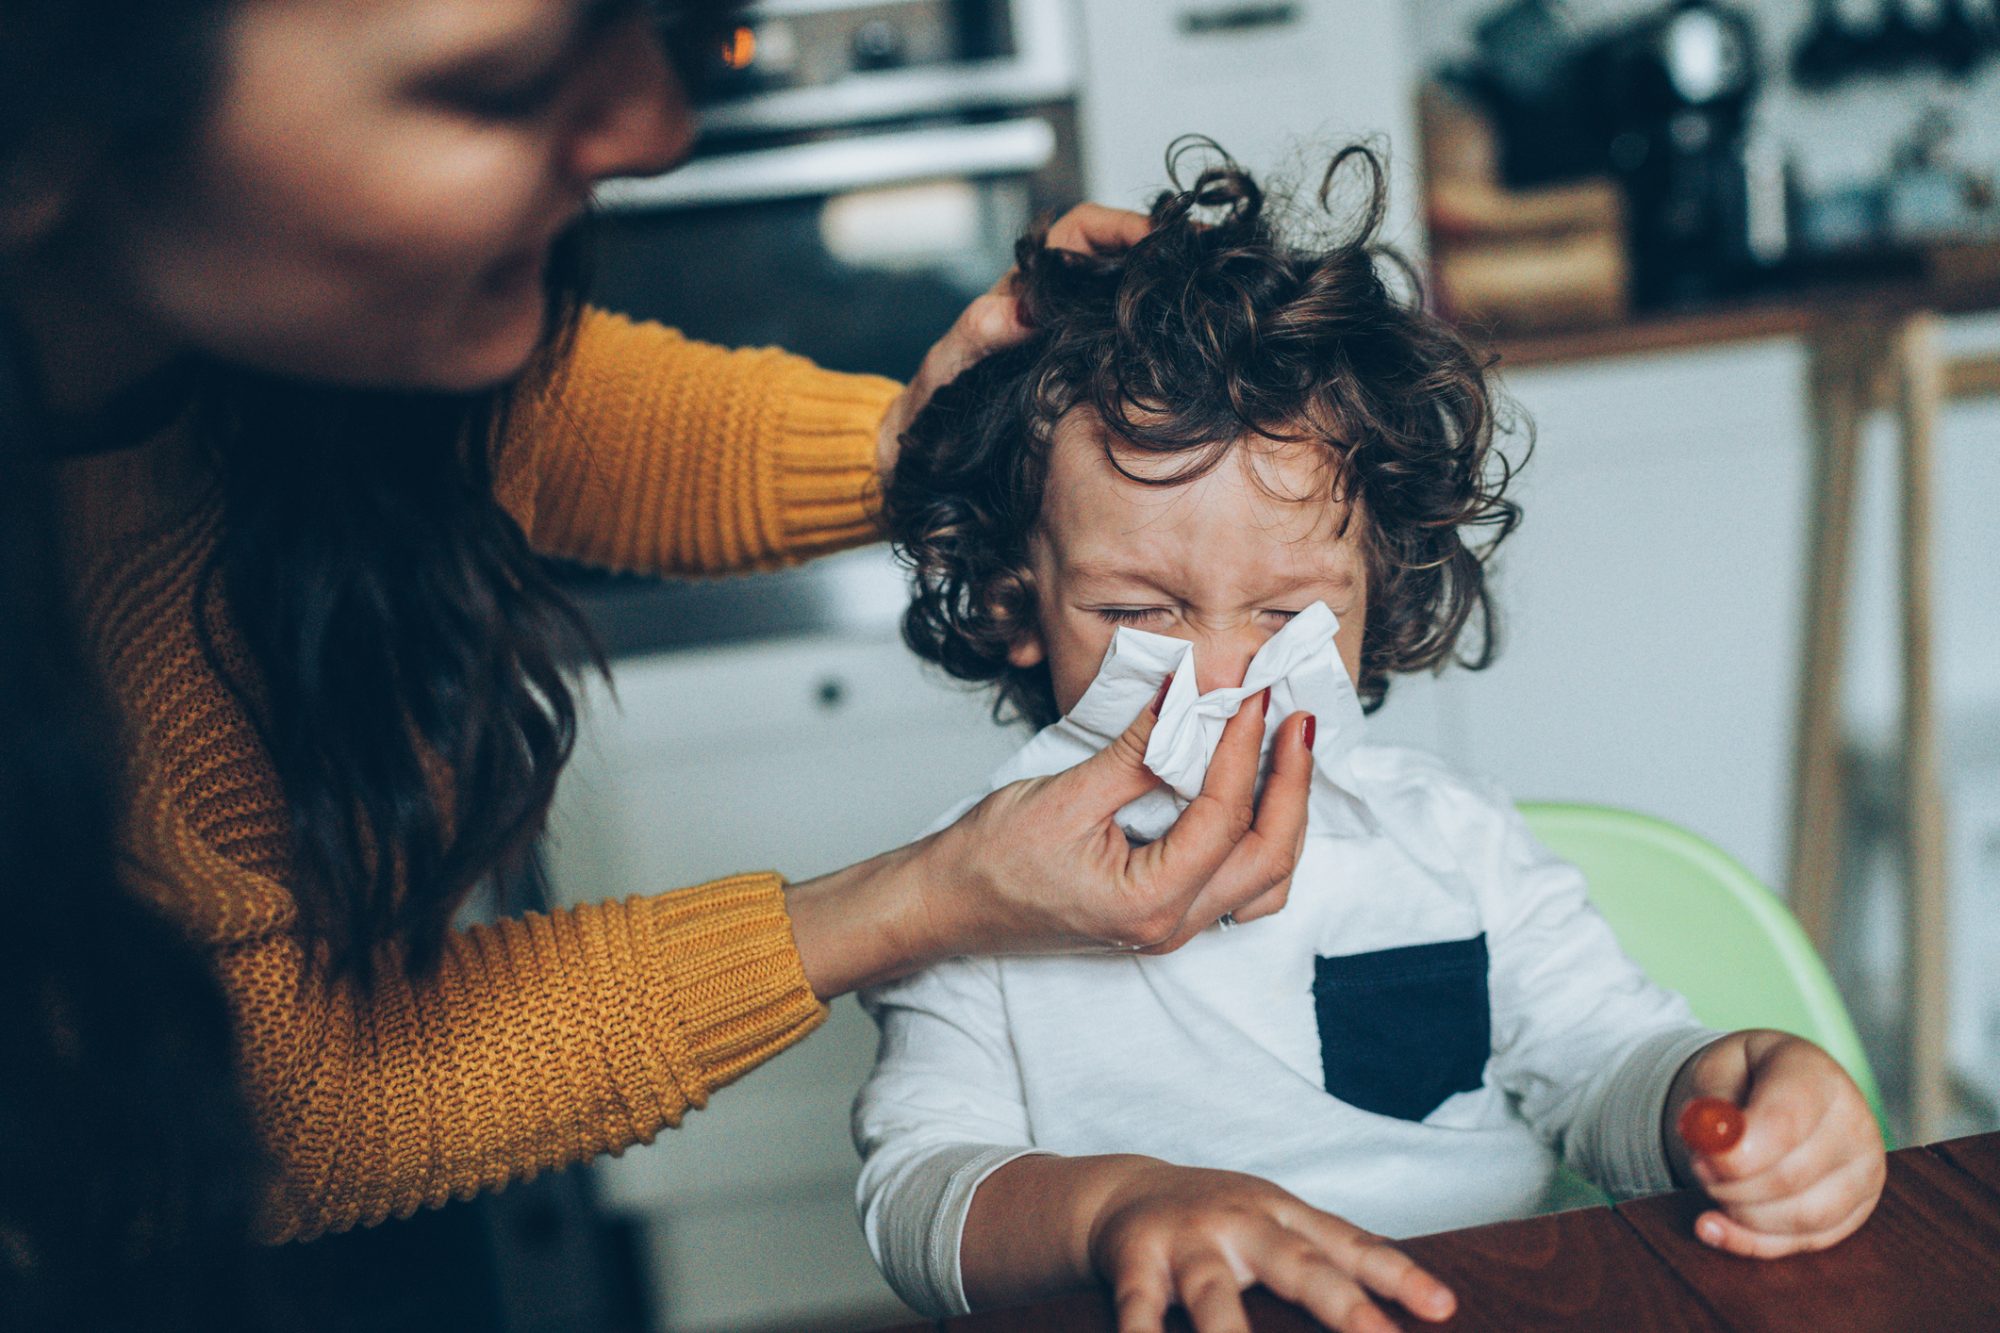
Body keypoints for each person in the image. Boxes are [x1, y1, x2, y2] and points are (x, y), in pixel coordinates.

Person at [1, 0, 1315, 1266]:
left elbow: (559, 422)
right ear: (45, 118)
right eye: (499, 82)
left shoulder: (300, 353)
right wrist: (925, 896)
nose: (655, 127)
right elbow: (259, 1110)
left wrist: (941, 456)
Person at [855, 146, 1889, 1333]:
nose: (1222, 676)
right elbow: (911, 1196)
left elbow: (1602, 1063)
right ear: (1009, 596)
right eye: (1138, 613)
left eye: (1289, 615)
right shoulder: (962, 887)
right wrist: (1109, 1209)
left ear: (1375, 589)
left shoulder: (1447, 843)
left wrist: (1721, 1090)